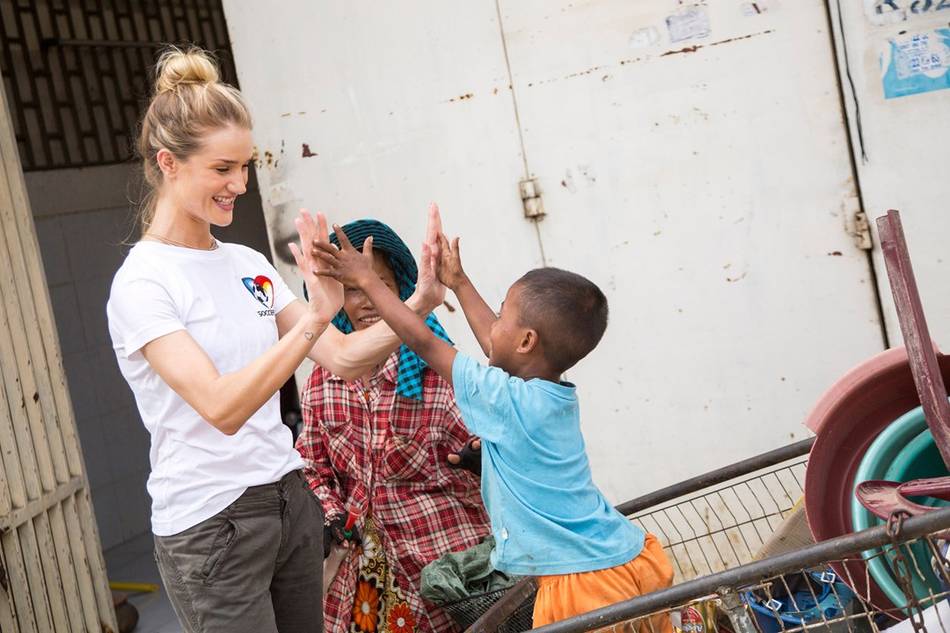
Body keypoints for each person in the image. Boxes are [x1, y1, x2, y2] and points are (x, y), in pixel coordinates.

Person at [106, 46, 443, 633]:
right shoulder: (143, 281)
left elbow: (342, 360)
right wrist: (315, 317)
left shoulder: (244, 261)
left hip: (287, 501)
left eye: (244, 166)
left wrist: (419, 304)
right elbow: (221, 407)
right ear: (169, 162)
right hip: (211, 525)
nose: (239, 184)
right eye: (222, 169)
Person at [310, 217, 675, 630]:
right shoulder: (545, 391)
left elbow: (424, 341)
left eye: (502, 315)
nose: (492, 325)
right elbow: (495, 344)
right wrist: (460, 282)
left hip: (579, 579)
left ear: (526, 342)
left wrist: (372, 282)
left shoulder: (505, 398)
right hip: (626, 559)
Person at [296, 217, 491, 633]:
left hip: (448, 572)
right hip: (365, 582)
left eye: (379, 284)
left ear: (402, 287)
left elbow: (490, 449)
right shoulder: (323, 379)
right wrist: (331, 514)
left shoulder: (434, 366)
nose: (367, 299)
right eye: (352, 288)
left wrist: (484, 458)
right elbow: (311, 464)